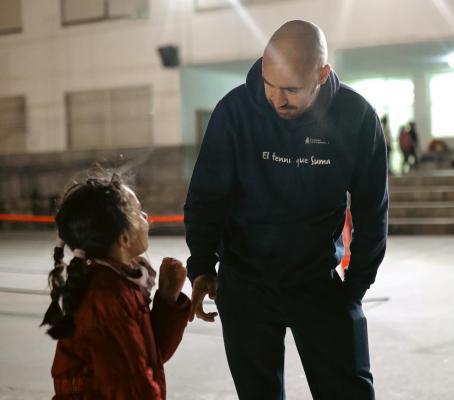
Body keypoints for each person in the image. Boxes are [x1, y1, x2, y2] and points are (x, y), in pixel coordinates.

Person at [185, 20, 388, 400]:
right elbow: (206, 196)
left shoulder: (356, 118)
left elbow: (372, 212)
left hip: (319, 283)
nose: (277, 100)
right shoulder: (235, 111)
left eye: (292, 89)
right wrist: (201, 265)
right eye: (269, 84)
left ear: (321, 74)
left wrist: (356, 287)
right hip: (245, 283)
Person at [42, 173, 190, 399]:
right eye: (138, 212)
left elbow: (149, 356)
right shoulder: (107, 297)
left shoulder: (120, 282)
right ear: (124, 239)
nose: (145, 216)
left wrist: (167, 300)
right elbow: (131, 387)